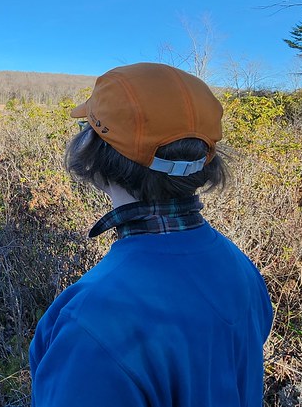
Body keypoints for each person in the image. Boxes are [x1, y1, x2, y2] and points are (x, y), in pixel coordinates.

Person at [29, 62, 272, 406]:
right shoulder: (240, 269)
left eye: (87, 126)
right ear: (207, 161)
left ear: (95, 156)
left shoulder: (91, 325)